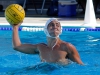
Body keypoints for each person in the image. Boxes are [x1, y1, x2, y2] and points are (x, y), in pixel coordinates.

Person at [11, 18, 84, 65]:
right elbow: (17, 46)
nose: (55, 26)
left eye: (57, 25)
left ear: (60, 29)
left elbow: (81, 66)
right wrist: (15, 27)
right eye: (51, 25)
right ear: (46, 29)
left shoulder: (67, 47)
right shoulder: (40, 48)